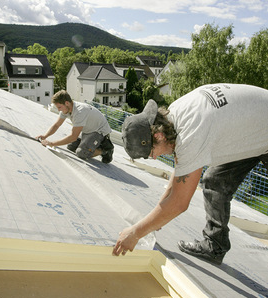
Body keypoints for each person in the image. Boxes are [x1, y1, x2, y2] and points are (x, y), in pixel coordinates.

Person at [112, 83, 268, 264]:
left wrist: (136, 232)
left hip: (261, 126)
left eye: (152, 153)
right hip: (252, 129)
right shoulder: (173, 117)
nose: (155, 159)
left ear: (158, 137)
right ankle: (215, 245)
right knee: (214, 181)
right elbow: (179, 176)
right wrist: (157, 218)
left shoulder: (190, 136)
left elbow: (179, 203)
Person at [36, 90, 114, 163]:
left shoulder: (80, 111)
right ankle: (92, 144)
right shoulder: (66, 109)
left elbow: (73, 137)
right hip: (88, 130)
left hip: (99, 131)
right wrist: (45, 136)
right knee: (71, 147)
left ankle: (106, 150)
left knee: (81, 153)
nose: (59, 110)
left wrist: (52, 143)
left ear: (66, 103)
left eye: (59, 107)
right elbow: (57, 125)